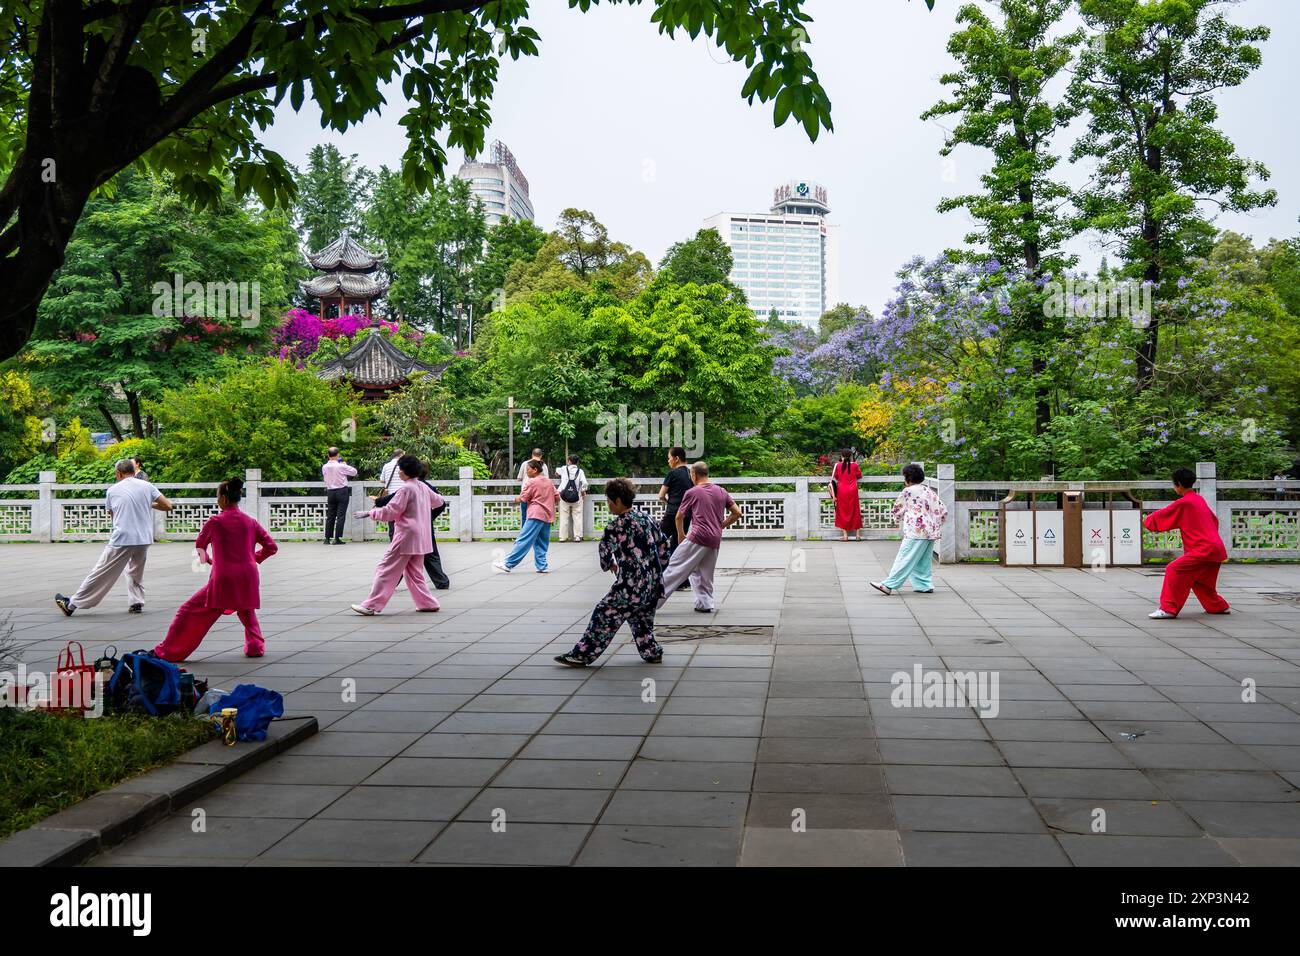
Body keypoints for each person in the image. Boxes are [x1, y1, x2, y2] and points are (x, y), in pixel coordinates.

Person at [153, 476, 277, 661]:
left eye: (218, 496)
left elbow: (200, 546)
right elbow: (271, 547)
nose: (217, 500)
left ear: (224, 499)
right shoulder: (250, 521)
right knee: (246, 610)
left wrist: (208, 560)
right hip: (248, 575)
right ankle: (255, 647)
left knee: (189, 611)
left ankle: (169, 650)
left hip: (224, 577)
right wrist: (254, 558)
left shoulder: (215, 521)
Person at [556, 478, 670, 667]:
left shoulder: (614, 527)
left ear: (617, 501)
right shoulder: (646, 518)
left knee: (604, 613)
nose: (608, 505)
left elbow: (604, 553)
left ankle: (582, 654)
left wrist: (613, 566)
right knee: (641, 618)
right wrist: (655, 570)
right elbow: (664, 546)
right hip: (652, 583)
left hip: (629, 585)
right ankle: (651, 652)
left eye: (609, 501)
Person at [56, 459, 173, 616]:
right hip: (144, 538)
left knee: (101, 571)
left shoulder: (112, 490)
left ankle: (71, 604)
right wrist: (149, 504)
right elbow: (167, 506)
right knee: (136, 571)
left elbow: (113, 516)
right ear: (134, 470)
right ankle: (136, 602)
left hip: (123, 537)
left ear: (119, 473)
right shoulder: (147, 486)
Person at [350, 455, 440, 615]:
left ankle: (371, 605)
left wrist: (370, 513)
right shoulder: (422, 487)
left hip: (406, 536)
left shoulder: (405, 489)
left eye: (400, 470)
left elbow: (391, 511)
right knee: (414, 573)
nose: (399, 473)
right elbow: (439, 501)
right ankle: (427, 603)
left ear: (406, 472)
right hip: (421, 537)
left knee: (385, 569)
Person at [1142, 468, 1230, 619]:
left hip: (1203, 548)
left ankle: (1168, 608)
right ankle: (1217, 606)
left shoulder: (1185, 502)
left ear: (1179, 484)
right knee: (1201, 581)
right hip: (1216, 547)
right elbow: (1214, 521)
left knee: (1173, 569)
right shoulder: (1198, 499)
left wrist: (1146, 520)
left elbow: (1164, 515)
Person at [657, 461, 742, 613]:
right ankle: (705, 604)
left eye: (691, 475)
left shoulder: (692, 492)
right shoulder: (721, 491)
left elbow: (679, 517)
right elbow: (737, 513)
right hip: (714, 539)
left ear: (694, 474)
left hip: (697, 536)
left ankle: (651, 602)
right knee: (703, 573)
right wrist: (721, 525)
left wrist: (681, 536)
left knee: (675, 567)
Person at [870, 463, 948, 596]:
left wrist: (898, 518)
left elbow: (897, 510)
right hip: (930, 531)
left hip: (915, 530)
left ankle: (888, 585)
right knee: (923, 559)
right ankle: (924, 585)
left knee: (905, 557)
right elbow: (943, 510)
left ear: (908, 478)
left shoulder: (908, 491)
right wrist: (934, 524)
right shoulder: (929, 491)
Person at [495, 458, 556, 573]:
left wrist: (516, 499)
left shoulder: (531, 482)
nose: (526, 472)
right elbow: (557, 496)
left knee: (524, 539)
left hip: (535, 514)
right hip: (547, 515)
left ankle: (508, 564)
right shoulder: (549, 481)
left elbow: (523, 498)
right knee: (542, 542)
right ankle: (542, 566)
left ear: (535, 469)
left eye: (528, 469)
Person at [322, 446, 357, 545]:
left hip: (330, 492)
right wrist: (345, 464)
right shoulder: (341, 466)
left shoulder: (324, 467)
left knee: (330, 515)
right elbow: (354, 472)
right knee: (340, 515)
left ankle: (327, 538)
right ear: (338, 455)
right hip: (342, 491)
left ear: (328, 455)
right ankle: (337, 538)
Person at [831, 448, 863, 541]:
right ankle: (857, 535)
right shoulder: (855, 465)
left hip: (842, 491)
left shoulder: (838, 466)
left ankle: (845, 536)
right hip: (853, 491)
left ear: (842, 456)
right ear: (851, 456)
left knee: (843, 512)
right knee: (855, 511)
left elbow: (836, 477)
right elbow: (859, 476)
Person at [555, 454, 589, 542]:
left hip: (564, 496)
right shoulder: (580, 471)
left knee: (564, 516)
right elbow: (585, 483)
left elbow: (557, 472)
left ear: (569, 461)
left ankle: (563, 537)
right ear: (577, 462)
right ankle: (577, 536)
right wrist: (583, 490)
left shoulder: (563, 469)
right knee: (577, 516)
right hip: (576, 497)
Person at [516, 448, 548, 524]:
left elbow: (519, 478)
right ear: (541, 455)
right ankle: (535, 534)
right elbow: (546, 479)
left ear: (532, 455)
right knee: (537, 516)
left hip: (526, 493)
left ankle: (524, 534)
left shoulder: (525, 464)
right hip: (539, 495)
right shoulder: (544, 465)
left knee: (524, 516)